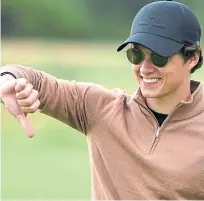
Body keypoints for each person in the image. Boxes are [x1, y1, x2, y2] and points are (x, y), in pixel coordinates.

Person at [1, 0, 204, 200]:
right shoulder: (99, 109)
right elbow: (37, 81)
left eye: (159, 57)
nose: (145, 68)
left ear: (192, 58)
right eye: (136, 55)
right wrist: (7, 80)